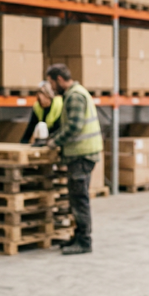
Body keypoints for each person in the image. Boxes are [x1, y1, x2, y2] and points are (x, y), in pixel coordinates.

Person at [44, 64, 103, 255]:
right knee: (76, 198)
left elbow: (74, 127)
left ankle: (84, 241)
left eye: (52, 83)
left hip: (81, 155)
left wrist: (55, 142)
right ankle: (77, 237)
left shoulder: (75, 96)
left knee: (79, 199)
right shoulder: (74, 94)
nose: (51, 88)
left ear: (60, 79)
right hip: (80, 154)